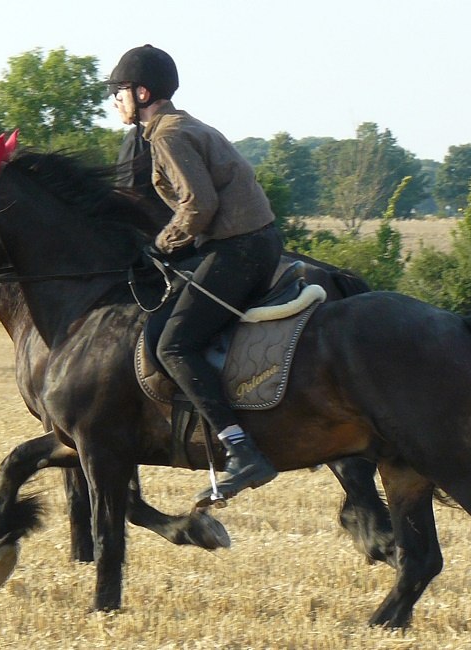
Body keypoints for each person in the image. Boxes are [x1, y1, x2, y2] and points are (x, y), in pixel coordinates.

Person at [106, 44, 282, 507]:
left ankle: (241, 449)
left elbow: (198, 205)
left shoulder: (166, 135)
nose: (116, 101)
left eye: (119, 92)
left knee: (171, 343)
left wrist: (161, 246)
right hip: (248, 244)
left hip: (238, 250)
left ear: (142, 92)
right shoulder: (181, 124)